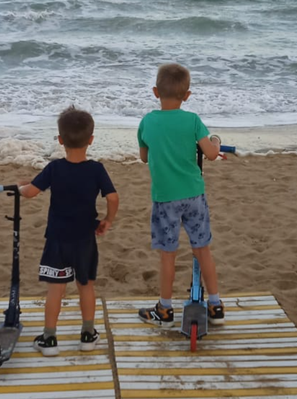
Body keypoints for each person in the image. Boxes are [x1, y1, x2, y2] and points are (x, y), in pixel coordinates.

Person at [18, 106, 119, 356]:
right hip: (85, 239)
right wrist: (108, 220)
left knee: (56, 289)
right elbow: (113, 197)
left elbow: (31, 192)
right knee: (86, 286)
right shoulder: (96, 169)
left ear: (60, 140)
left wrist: (20, 188)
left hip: (57, 239)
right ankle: (87, 335)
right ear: (91, 140)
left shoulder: (55, 168)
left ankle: (49, 338)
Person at [137, 63, 224, 328]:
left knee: (168, 254)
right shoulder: (193, 120)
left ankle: (164, 309)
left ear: (155, 92)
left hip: (165, 198)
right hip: (194, 195)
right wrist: (216, 141)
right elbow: (211, 154)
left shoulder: (147, 122)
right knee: (202, 249)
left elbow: (144, 157)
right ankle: (215, 304)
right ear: (187, 95)